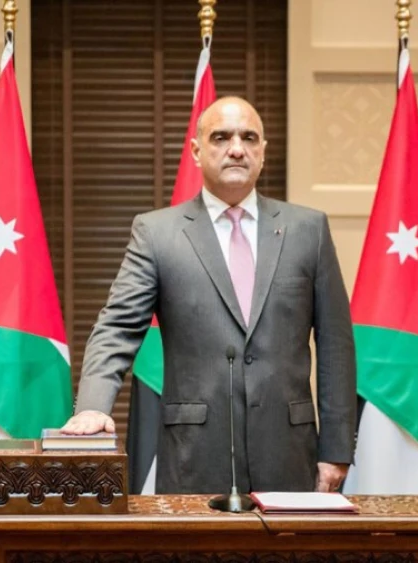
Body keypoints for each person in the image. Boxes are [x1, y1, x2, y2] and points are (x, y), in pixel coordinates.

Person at [61, 96, 356, 494]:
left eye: (248, 138)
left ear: (263, 151)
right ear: (197, 151)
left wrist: (336, 449)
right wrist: (93, 407)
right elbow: (116, 328)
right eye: (221, 137)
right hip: (193, 457)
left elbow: (336, 344)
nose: (236, 148)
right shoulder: (157, 233)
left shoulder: (309, 230)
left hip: (290, 455)